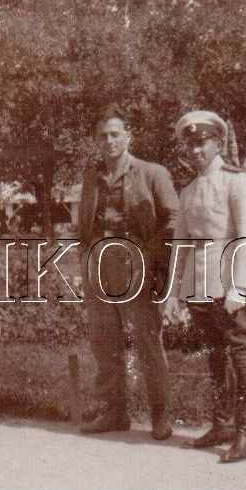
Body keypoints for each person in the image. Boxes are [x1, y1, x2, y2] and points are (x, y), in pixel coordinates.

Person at [78, 104, 180, 441]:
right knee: (104, 342)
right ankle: (115, 412)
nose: (109, 141)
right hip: (99, 267)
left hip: (138, 266)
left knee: (147, 343)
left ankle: (160, 415)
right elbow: (84, 226)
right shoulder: (92, 177)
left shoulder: (152, 173)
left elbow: (173, 221)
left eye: (115, 134)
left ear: (128, 136)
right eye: (103, 135)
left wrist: (158, 265)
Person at [170, 110, 246, 463]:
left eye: (201, 143)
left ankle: (245, 435)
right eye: (189, 144)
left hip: (232, 287)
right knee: (215, 357)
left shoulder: (237, 182)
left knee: (241, 356)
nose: (194, 150)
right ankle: (222, 425)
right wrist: (174, 293)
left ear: (218, 143)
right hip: (201, 287)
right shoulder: (189, 189)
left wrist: (241, 288)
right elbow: (181, 243)